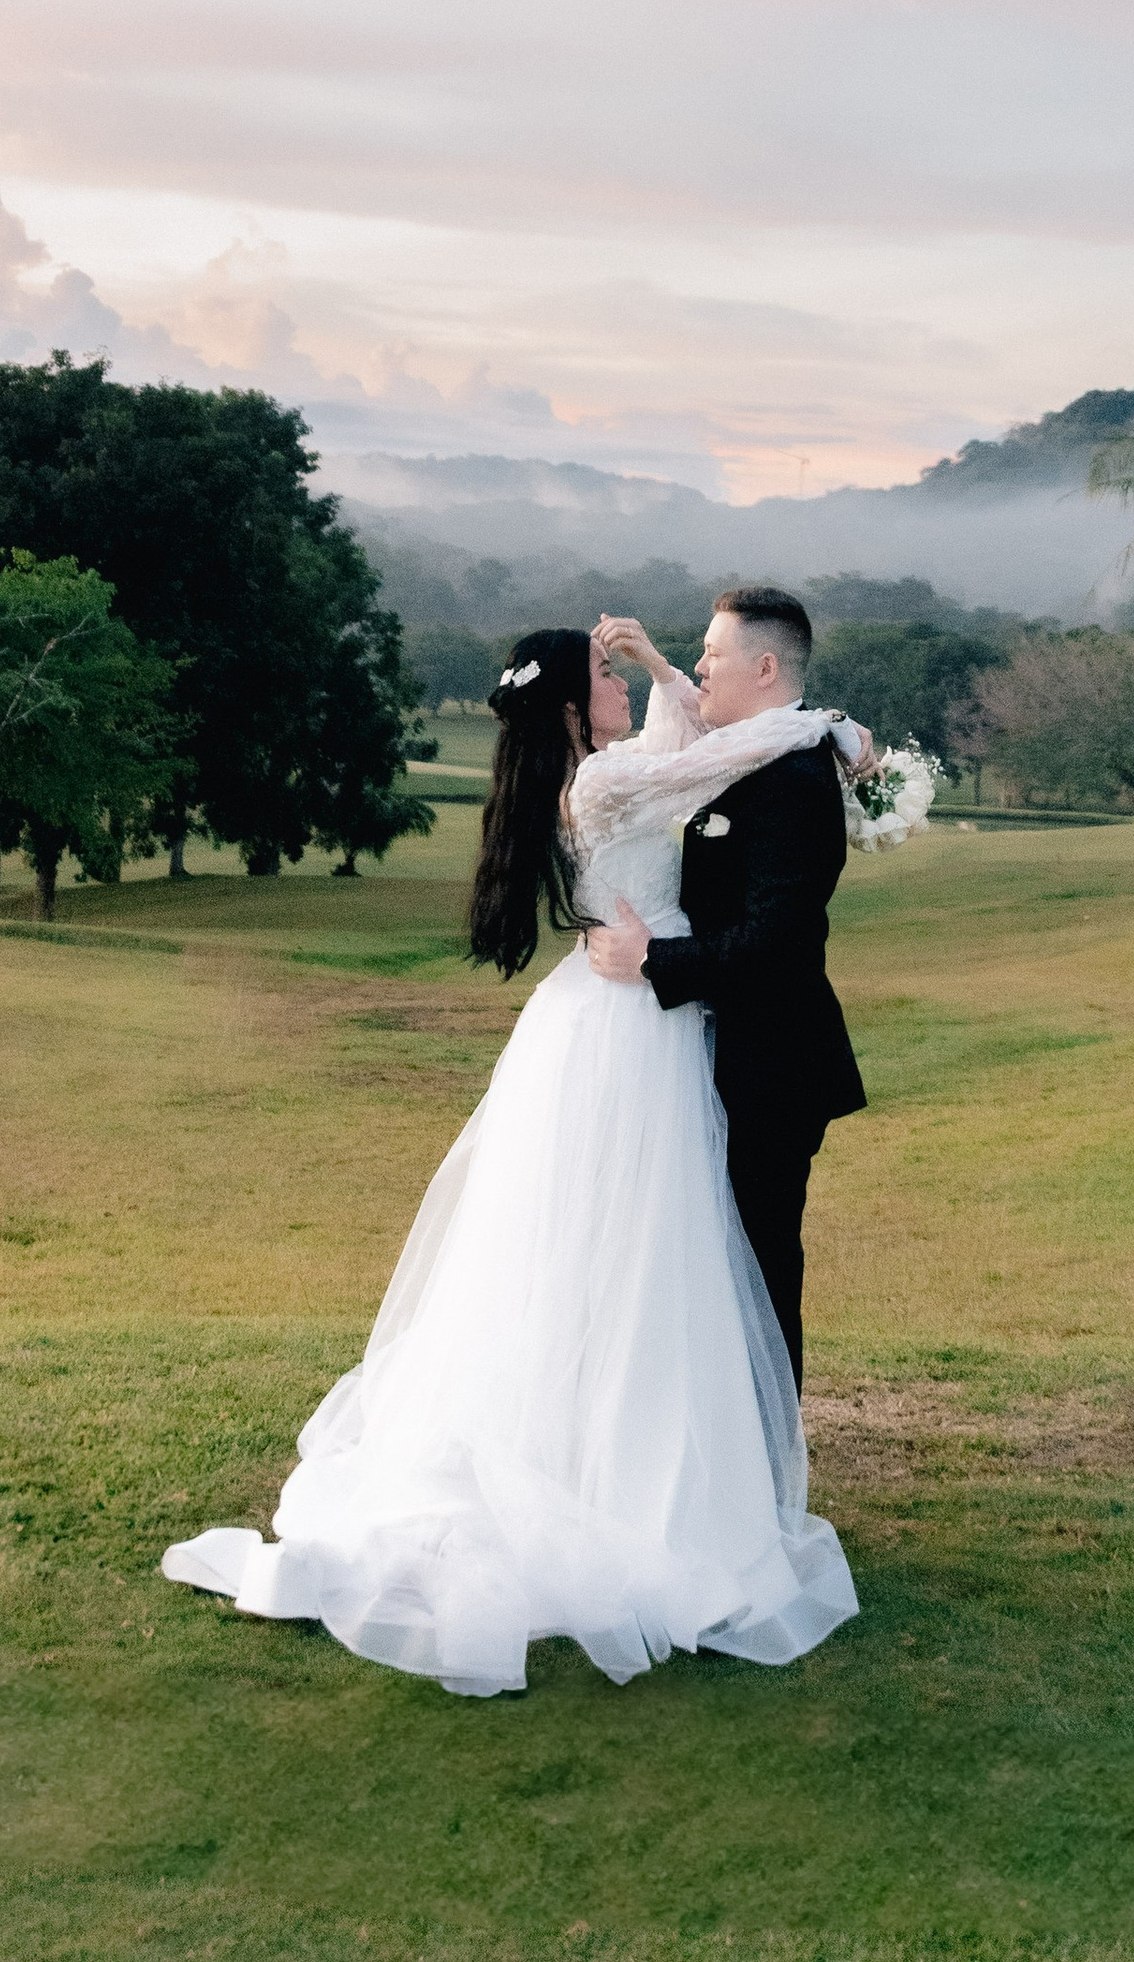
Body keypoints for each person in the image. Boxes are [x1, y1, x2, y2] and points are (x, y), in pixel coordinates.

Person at [159, 622, 866, 1699]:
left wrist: (678, 677)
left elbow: (691, 741)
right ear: (578, 709)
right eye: (607, 676)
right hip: (629, 1020)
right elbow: (709, 756)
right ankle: (620, 1473)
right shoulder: (604, 786)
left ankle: (627, 1453)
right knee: (625, 1246)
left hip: (633, 1012)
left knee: (634, 1249)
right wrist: (827, 727)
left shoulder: (602, 770)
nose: (628, 684)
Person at [584, 588, 866, 1386]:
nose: (699, 664)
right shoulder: (751, 753)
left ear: (767, 667)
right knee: (715, 1267)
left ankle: (770, 1472)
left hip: (773, 1066)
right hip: (727, 1054)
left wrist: (656, 961)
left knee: (760, 1264)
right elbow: (688, 726)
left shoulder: (794, 780)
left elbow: (779, 939)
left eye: (713, 651)